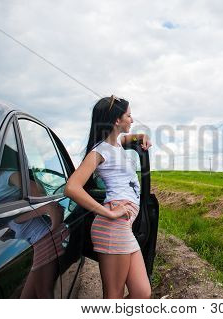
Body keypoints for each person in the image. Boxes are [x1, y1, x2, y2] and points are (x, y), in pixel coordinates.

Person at [64, 95, 152, 299]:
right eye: (129, 115)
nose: (132, 119)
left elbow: (125, 139)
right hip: (113, 226)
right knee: (114, 297)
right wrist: (107, 213)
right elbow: (72, 187)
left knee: (142, 292)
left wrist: (141, 138)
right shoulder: (99, 151)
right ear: (116, 121)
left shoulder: (117, 145)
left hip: (124, 227)